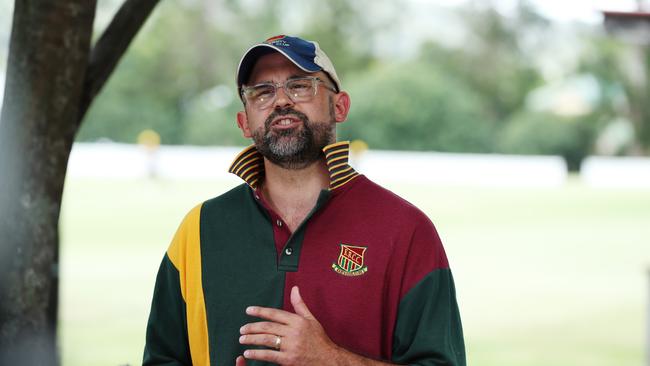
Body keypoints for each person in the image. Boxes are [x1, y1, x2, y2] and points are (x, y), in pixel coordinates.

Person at [143, 35, 465, 366]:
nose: (281, 101)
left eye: (299, 86)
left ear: (340, 106)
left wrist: (330, 359)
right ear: (244, 121)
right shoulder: (199, 228)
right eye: (262, 92)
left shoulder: (406, 230)